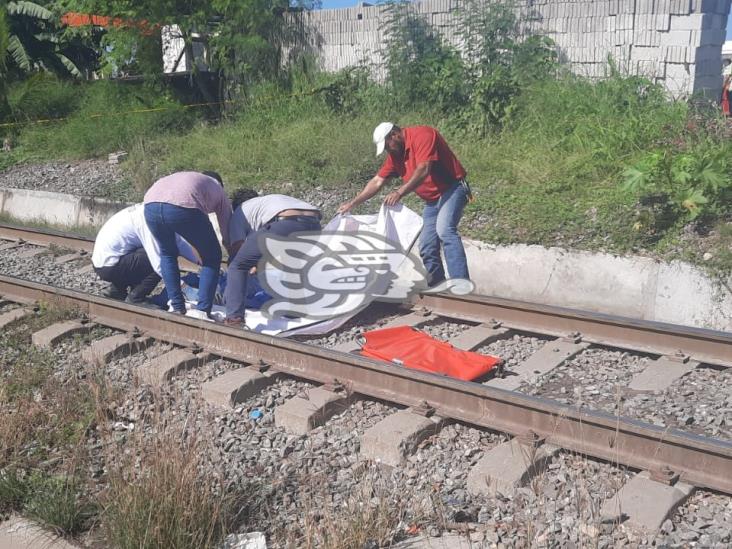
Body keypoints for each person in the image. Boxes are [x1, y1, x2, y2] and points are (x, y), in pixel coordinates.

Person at [338, 123, 471, 287]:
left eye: (387, 145)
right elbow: (378, 181)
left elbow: (424, 169)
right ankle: (438, 287)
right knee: (427, 245)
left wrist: (399, 192)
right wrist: (352, 203)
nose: (388, 150)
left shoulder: (423, 135)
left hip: (453, 189)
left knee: (445, 230)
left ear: (394, 134)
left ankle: (462, 285)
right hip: (432, 201)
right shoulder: (396, 156)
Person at [224, 189, 321, 325]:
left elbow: (237, 249)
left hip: (285, 222)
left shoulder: (239, 212)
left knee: (237, 266)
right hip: (315, 225)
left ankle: (234, 317)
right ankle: (296, 310)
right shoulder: (267, 202)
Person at [143, 171, 231, 318]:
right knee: (213, 257)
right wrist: (232, 255)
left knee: (167, 253)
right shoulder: (219, 191)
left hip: (150, 204)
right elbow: (226, 230)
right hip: (183, 205)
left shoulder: (192, 179)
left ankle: (177, 307)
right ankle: (202, 311)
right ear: (221, 185)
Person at [92, 204, 199, 304]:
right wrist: (184, 287)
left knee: (141, 254)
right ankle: (136, 298)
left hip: (106, 262)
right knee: (164, 257)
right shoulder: (150, 222)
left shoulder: (149, 210)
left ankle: (117, 291)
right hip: (109, 267)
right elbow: (159, 264)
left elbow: (178, 242)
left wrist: (201, 261)